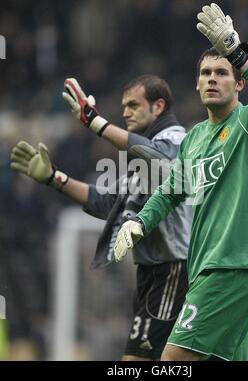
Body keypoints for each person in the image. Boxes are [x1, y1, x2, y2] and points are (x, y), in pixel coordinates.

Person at [113, 3, 248, 361]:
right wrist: (139, 221)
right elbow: (170, 191)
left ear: (240, 83)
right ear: (196, 84)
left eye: (222, 72)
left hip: (231, 269)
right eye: (206, 73)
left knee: (173, 361)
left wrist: (236, 53)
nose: (212, 78)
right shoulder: (193, 139)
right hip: (207, 271)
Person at [10, 75, 192, 361]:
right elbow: (108, 202)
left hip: (174, 269)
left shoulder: (177, 140)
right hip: (152, 272)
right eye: (123, 106)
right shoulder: (141, 155)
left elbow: (163, 164)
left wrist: (97, 124)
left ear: (159, 106)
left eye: (133, 105)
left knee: (152, 361)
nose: (125, 112)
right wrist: (54, 178)